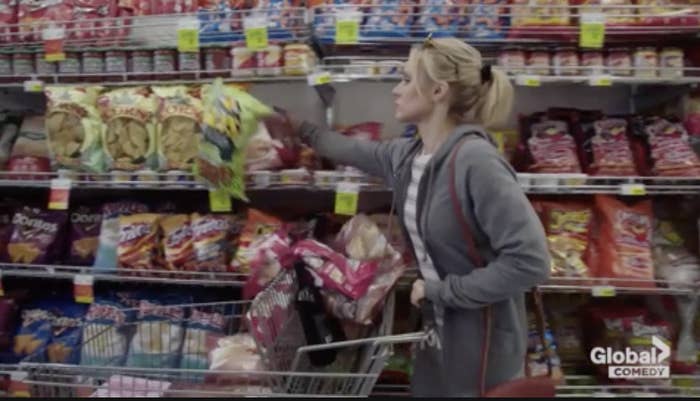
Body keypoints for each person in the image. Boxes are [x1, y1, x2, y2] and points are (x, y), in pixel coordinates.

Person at [292, 37, 551, 396]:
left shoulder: (477, 162)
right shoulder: (410, 155)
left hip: (480, 340)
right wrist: (296, 129)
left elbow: (531, 262)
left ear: (438, 91)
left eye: (406, 79)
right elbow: (353, 150)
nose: (396, 90)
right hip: (437, 328)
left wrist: (441, 291)